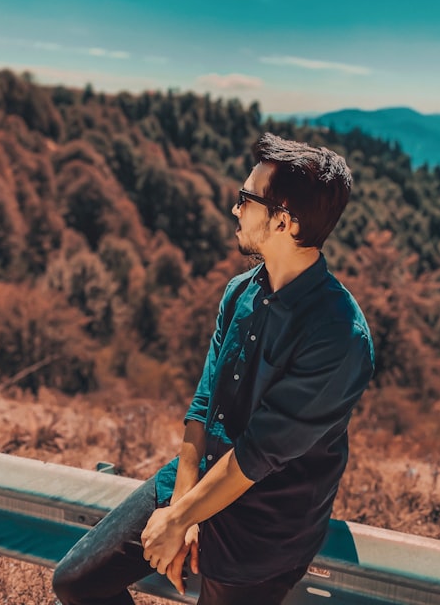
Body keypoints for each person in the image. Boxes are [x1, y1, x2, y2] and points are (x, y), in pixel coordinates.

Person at [52, 133, 374, 605]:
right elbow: (204, 404)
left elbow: (257, 456)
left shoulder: (339, 336)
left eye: (246, 199)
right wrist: (182, 509)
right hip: (194, 483)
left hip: (264, 528)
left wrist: (182, 518)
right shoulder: (240, 291)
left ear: (284, 220)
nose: (235, 209)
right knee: (76, 583)